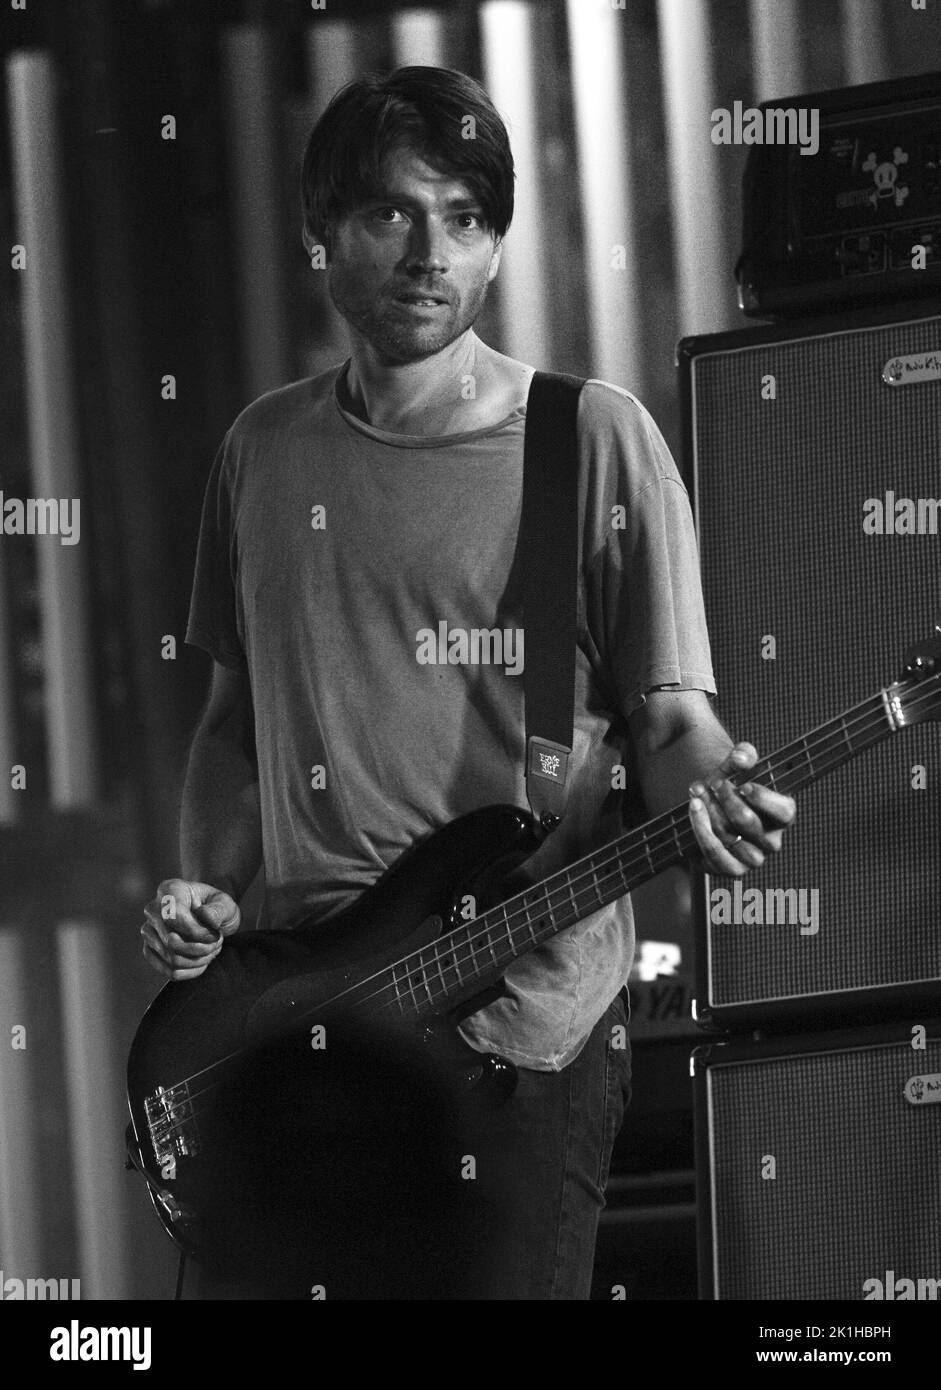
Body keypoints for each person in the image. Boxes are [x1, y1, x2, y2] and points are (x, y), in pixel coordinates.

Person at [140, 65, 796, 1300]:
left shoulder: (589, 439)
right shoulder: (261, 450)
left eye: (466, 217)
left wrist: (716, 788)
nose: (431, 252)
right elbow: (235, 729)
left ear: (495, 241)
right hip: (298, 1034)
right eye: (392, 214)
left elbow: (668, 716)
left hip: (516, 1022)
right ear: (319, 235)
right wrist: (203, 891)